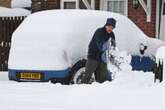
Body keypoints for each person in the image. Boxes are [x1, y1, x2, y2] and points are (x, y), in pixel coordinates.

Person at [79, 18, 117, 84]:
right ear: (106, 25)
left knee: (103, 78)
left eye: (112, 28)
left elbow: (113, 46)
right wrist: (105, 47)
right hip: (93, 57)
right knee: (87, 75)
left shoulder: (111, 34)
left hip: (103, 59)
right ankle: (81, 90)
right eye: (109, 27)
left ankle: (100, 92)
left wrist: (113, 52)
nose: (110, 29)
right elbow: (100, 45)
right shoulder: (99, 32)